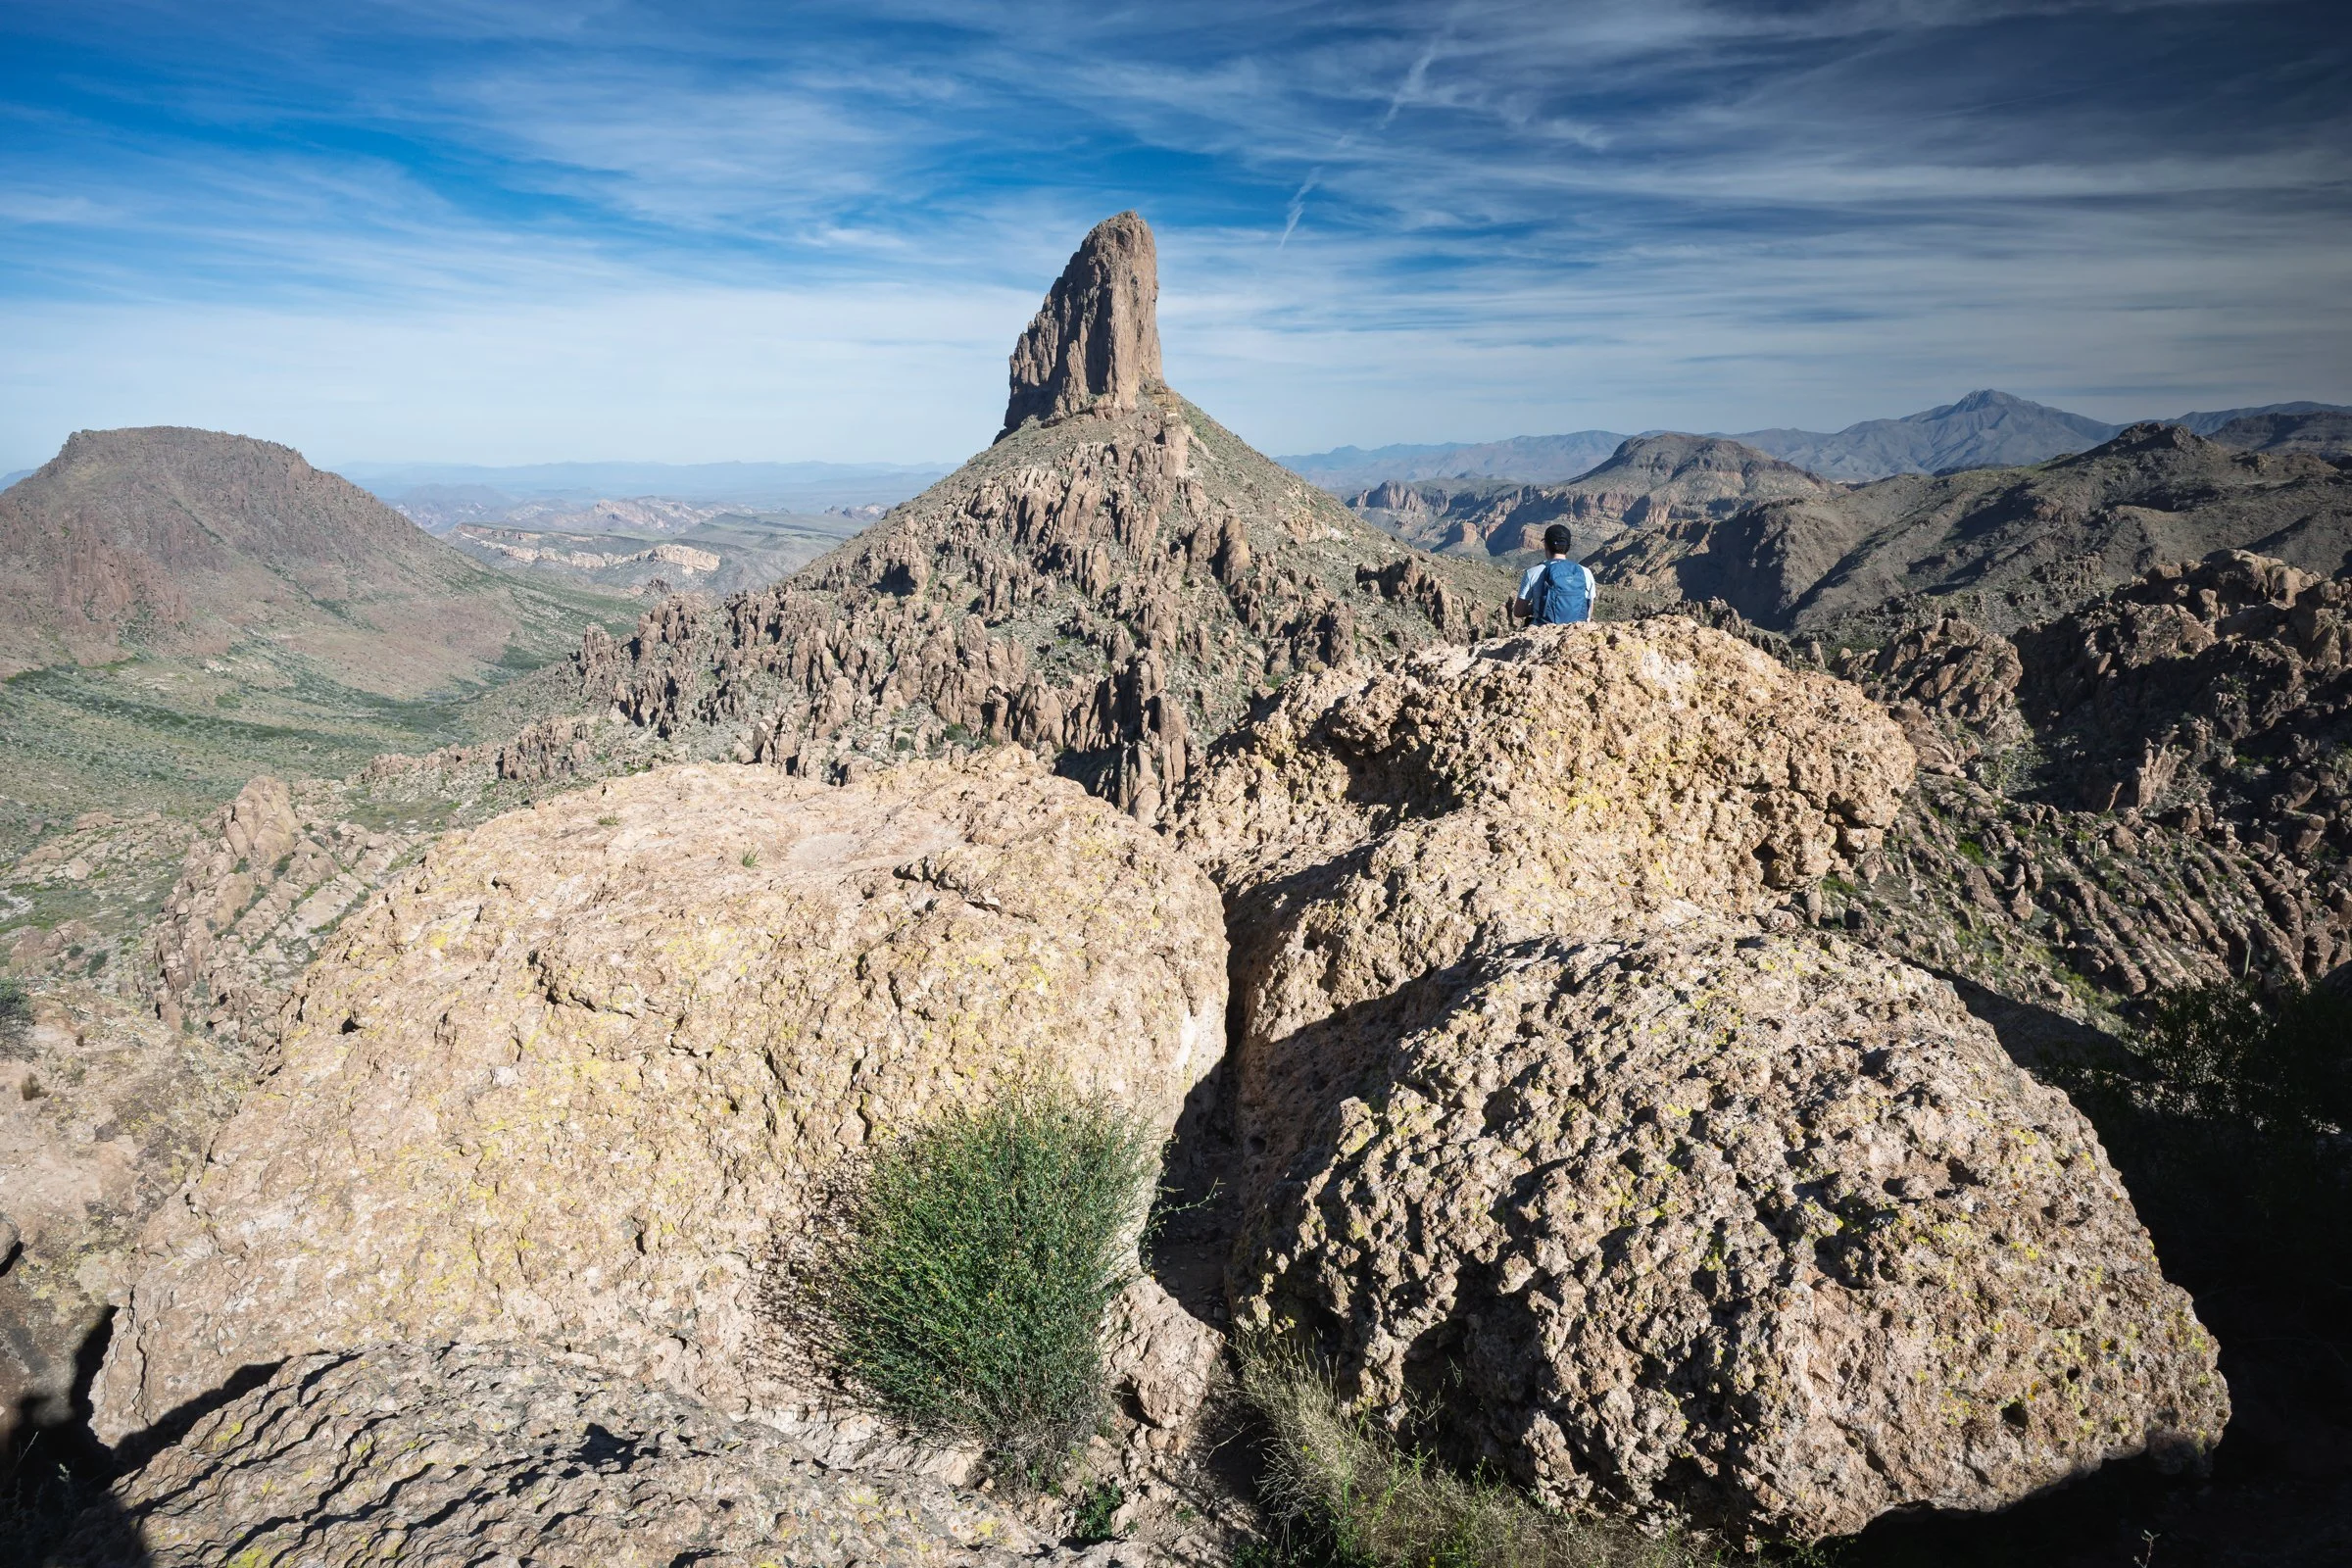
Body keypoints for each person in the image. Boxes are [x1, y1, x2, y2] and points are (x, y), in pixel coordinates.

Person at [1513, 522, 1594, 625]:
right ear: (1568, 546)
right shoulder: (1586, 573)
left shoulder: (1533, 572)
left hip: (1543, 632)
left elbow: (1518, 612)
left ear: (1545, 544)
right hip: (1575, 631)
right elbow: (1589, 612)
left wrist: (1536, 606)